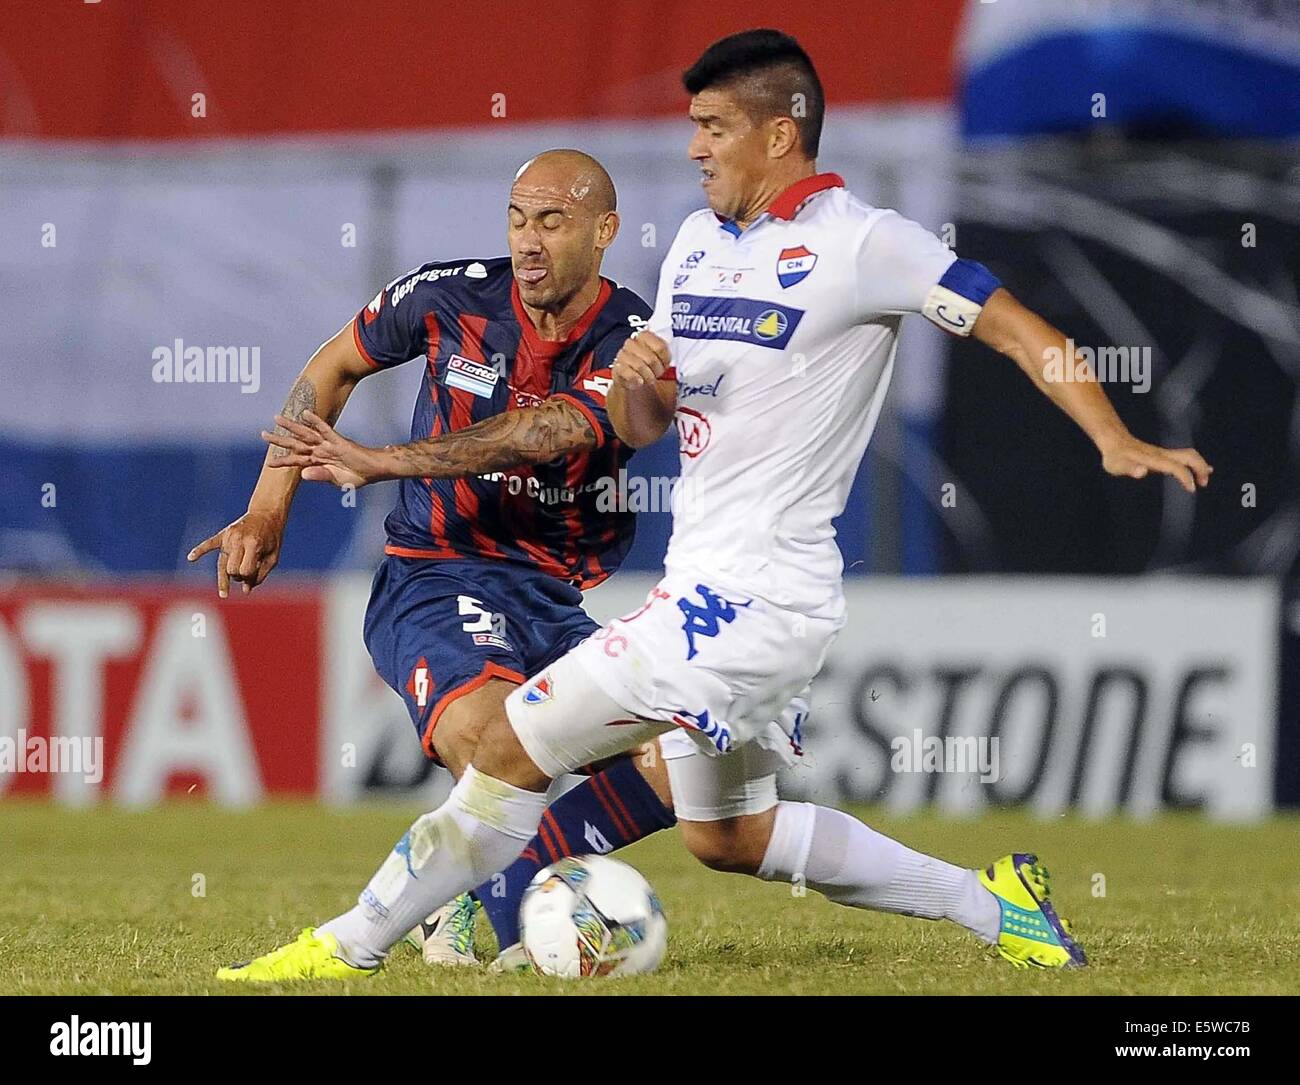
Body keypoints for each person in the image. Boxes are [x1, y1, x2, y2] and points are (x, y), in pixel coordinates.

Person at [218, 29, 1213, 982]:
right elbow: (645, 421)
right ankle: (995, 906)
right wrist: (643, 377)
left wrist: (1110, 435)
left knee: (514, 743)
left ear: (779, 133)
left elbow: (1015, 328)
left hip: (748, 601)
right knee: (728, 833)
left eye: (714, 127)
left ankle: (346, 945)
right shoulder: (695, 245)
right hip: (710, 586)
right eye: (693, 126)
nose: (693, 147)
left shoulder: (867, 244)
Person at [192, 149, 680, 969]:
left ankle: (482, 892)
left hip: (552, 595)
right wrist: (270, 505)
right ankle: (516, 917)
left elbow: (543, 431)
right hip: (435, 573)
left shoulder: (630, 339)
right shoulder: (448, 295)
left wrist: (382, 460)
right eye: (518, 217)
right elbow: (334, 365)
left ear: (606, 232)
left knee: (683, 759)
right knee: (496, 736)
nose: (528, 240)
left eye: (552, 220)